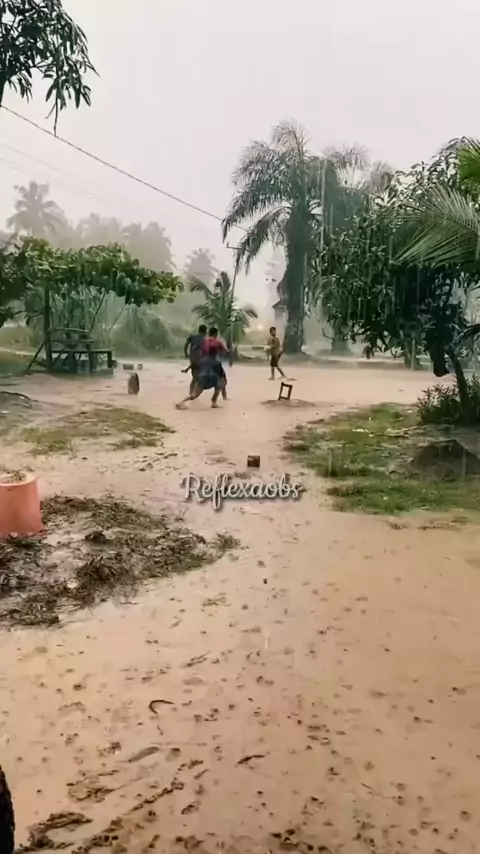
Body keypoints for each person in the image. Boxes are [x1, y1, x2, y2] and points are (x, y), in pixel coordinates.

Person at [176, 345, 226, 409]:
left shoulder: (202, 360)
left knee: (194, 395)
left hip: (201, 379)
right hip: (210, 379)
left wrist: (193, 375)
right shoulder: (217, 363)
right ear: (216, 354)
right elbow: (221, 374)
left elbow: (195, 367)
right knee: (221, 383)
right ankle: (214, 401)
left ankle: (182, 402)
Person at [201, 326, 230, 398]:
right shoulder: (217, 342)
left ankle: (191, 393)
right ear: (216, 334)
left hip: (203, 362)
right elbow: (226, 351)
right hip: (214, 363)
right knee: (223, 380)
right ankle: (223, 397)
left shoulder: (204, 341)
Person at [183, 324, 207, 392]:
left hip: (193, 359)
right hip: (201, 361)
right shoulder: (205, 339)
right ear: (205, 331)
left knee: (195, 377)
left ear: (199, 330)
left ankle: (192, 392)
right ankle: (193, 393)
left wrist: (185, 352)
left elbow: (186, 344)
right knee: (198, 377)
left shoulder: (192, 337)